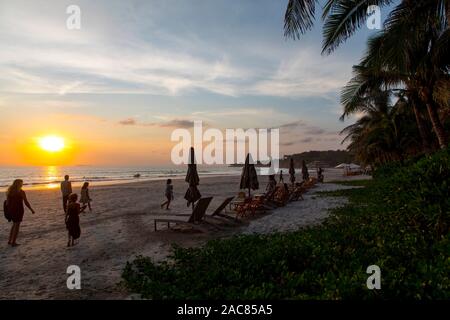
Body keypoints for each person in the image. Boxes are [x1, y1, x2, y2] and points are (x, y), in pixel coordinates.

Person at [6, 179, 35, 246]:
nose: (22, 185)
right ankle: (13, 242)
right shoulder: (21, 192)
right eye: (21, 183)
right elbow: (26, 202)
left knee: (14, 225)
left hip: (11, 210)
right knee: (17, 225)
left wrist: (8, 210)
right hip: (18, 210)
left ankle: (10, 241)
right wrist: (31, 209)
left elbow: (7, 203)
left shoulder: (10, 191)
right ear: (19, 184)